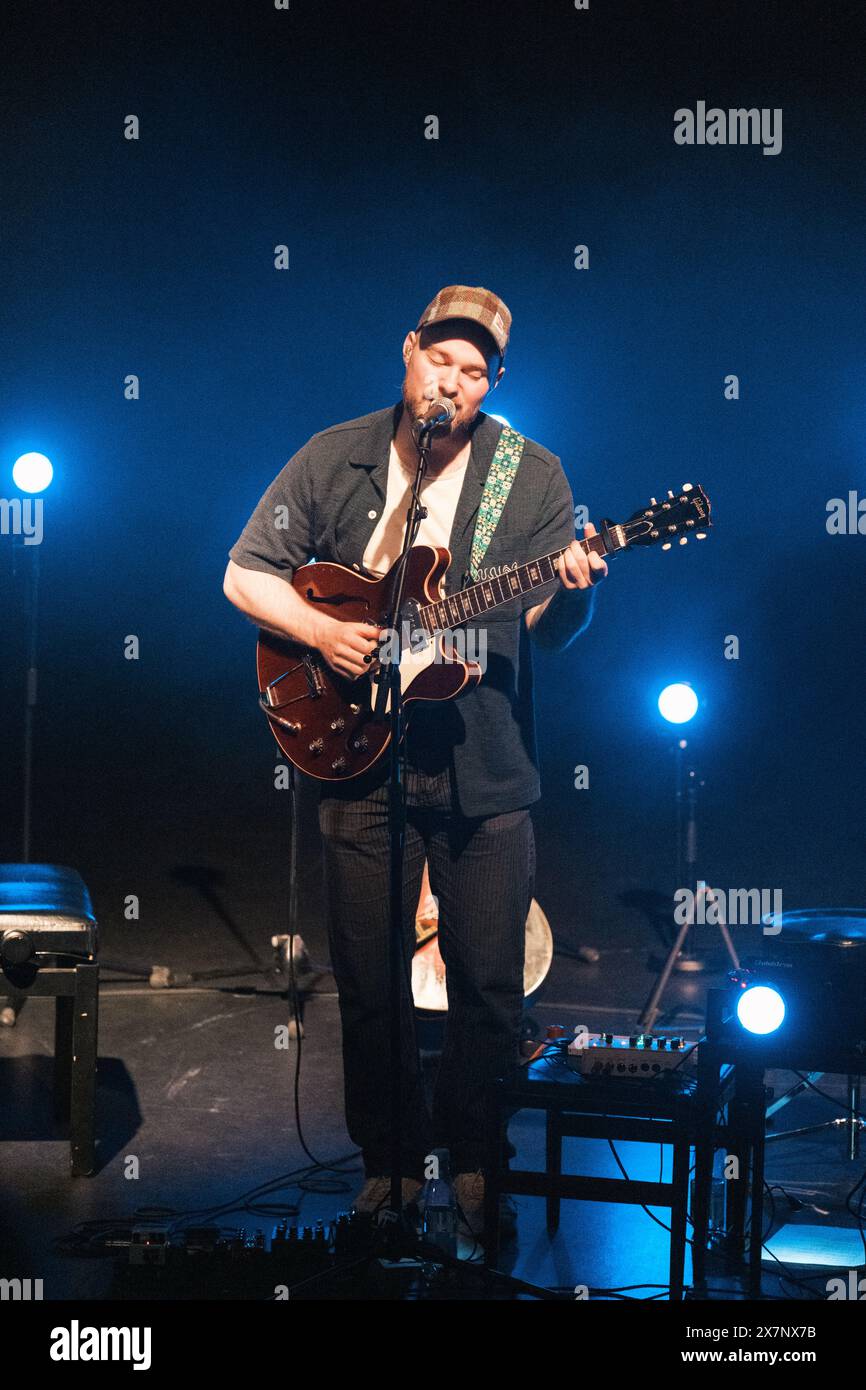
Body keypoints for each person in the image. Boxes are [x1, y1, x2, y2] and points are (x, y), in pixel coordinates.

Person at [223, 285, 607, 1240]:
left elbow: (545, 632)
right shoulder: (336, 455)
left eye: (475, 371)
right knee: (367, 981)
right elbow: (241, 574)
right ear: (408, 354)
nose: (455, 381)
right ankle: (389, 1166)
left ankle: (478, 1162)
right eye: (442, 359)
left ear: (495, 383)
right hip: (357, 757)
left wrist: (571, 590)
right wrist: (322, 630)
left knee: (487, 983)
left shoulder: (533, 474)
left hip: (488, 764)